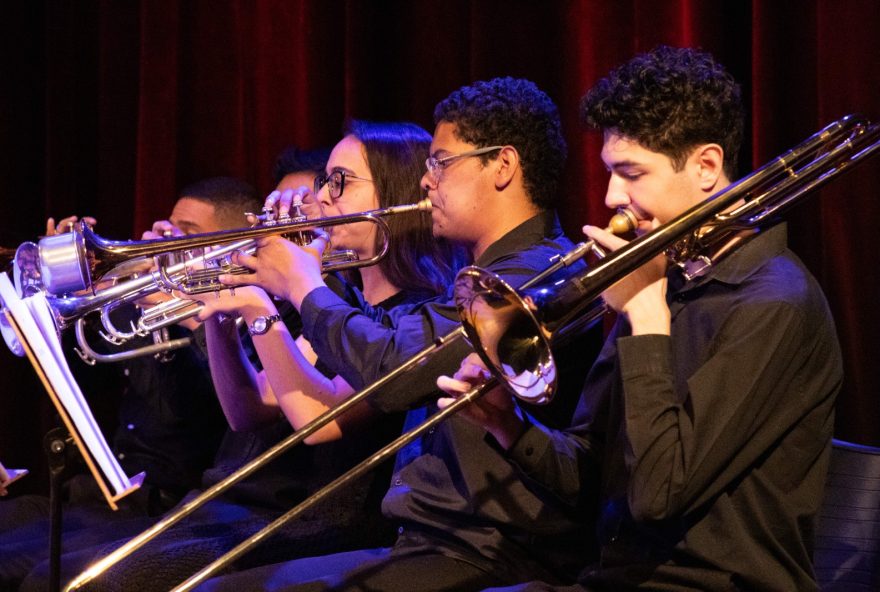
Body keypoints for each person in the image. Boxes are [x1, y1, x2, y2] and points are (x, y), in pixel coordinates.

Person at [440, 46, 843, 592]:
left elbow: (659, 495)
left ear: (706, 166)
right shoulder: (666, 279)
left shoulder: (775, 302)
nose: (611, 197)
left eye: (631, 173)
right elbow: (594, 475)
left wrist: (648, 317)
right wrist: (506, 424)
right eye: (610, 172)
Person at [197, 77, 600, 592]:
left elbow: (390, 370)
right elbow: (380, 336)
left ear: (502, 165)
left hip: (490, 553)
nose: (427, 182)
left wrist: (302, 286)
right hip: (432, 541)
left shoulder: (537, 276)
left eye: (441, 163)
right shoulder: (481, 274)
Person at [26, 131, 465, 592]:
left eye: (340, 181)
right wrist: (219, 311)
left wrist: (263, 306)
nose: (321, 196)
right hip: (239, 509)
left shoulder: (408, 315)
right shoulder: (341, 302)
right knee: (49, 575)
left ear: (392, 193)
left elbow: (316, 417)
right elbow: (247, 410)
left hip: (315, 523)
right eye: (324, 180)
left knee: (86, 585)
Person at [3, 177, 256, 591]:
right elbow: (77, 376)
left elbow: (232, 406)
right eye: (167, 225)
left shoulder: (243, 318)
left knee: (33, 574)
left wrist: (191, 312)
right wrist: (60, 284)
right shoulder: (138, 311)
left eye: (184, 234)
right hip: (97, 492)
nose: (161, 236)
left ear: (223, 246)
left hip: (163, 505)